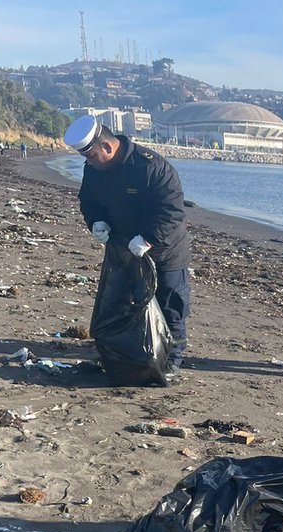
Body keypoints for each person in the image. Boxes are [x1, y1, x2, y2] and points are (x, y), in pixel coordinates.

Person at [63, 114, 192, 377]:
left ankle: (171, 362)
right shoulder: (94, 169)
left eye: (91, 156)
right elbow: (88, 201)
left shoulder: (151, 167)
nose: (88, 163)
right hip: (123, 252)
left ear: (107, 147)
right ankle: (132, 355)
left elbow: (172, 211)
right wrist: (96, 222)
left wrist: (148, 239)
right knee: (125, 304)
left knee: (170, 307)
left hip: (165, 251)